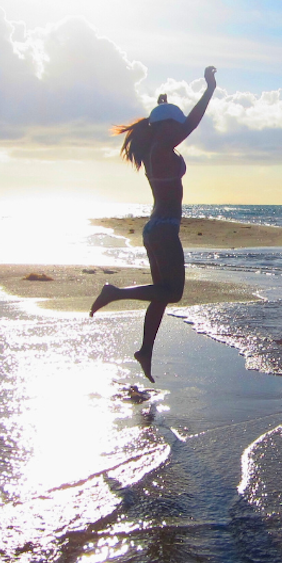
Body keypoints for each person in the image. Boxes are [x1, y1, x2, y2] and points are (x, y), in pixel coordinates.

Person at [90, 67, 218, 382]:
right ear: (167, 127)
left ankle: (145, 351)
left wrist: (163, 107)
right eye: (175, 126)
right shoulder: (159, 150)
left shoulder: (157, 149)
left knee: (161, 294)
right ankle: (114, 292)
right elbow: (191, 122)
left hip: (156, 228)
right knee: (173, 293)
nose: (181, 132)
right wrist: (210, 88)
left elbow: (179, 125)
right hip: (162, 229)